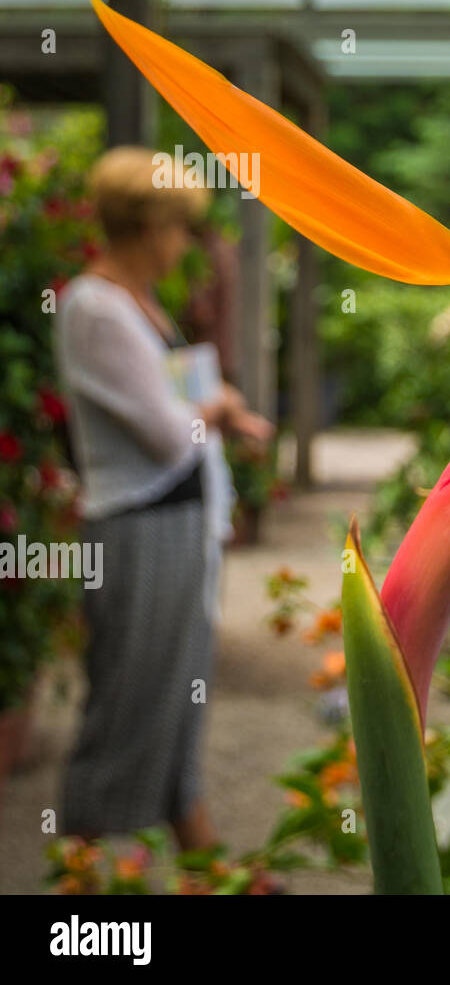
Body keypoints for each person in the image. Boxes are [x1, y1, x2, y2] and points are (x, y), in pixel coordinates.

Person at [53, 146, 271, 850]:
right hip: (140, 528)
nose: (185, 242)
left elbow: (179, 400)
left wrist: (225, 413)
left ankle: (201, 851)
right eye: (179, 226)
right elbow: (168, 433)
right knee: (131, 699)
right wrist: (222, 404)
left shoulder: (139, 305)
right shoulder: (96, 308)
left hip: (176, 524)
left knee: (176, 691)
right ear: (148, 224)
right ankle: (79, 868)